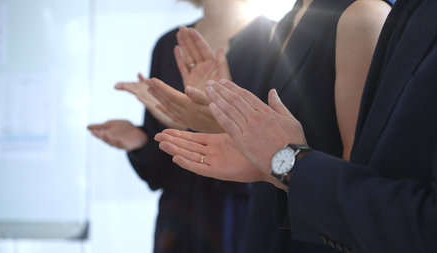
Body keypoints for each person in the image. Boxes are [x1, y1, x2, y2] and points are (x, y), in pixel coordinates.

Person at [155, 0, 437, 252]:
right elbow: (273, 155)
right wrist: (225, 117)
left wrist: (285, 161)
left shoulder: (362, 15)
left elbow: (359, 181)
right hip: (261, 233)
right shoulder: (286, 22)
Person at [87, 0, 274, 252]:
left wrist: (208, 122)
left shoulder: (277, 42)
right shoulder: (168, 46)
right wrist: (142, 141)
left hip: (242, 225)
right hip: (176, 229)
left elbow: (278, 163)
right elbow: (161, 174)